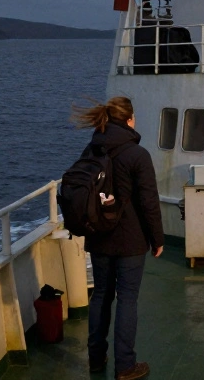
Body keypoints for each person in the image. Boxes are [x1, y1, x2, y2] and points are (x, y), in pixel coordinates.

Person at [72, 96, 164, 380]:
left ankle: (96, 359)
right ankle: (125, 365)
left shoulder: (92, 149)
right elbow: (148, 201)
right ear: (129, 120)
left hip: (98, 235)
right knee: (127, 299)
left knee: (100, 295)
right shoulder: (137, 155)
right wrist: (157, 238)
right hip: (130, 239)